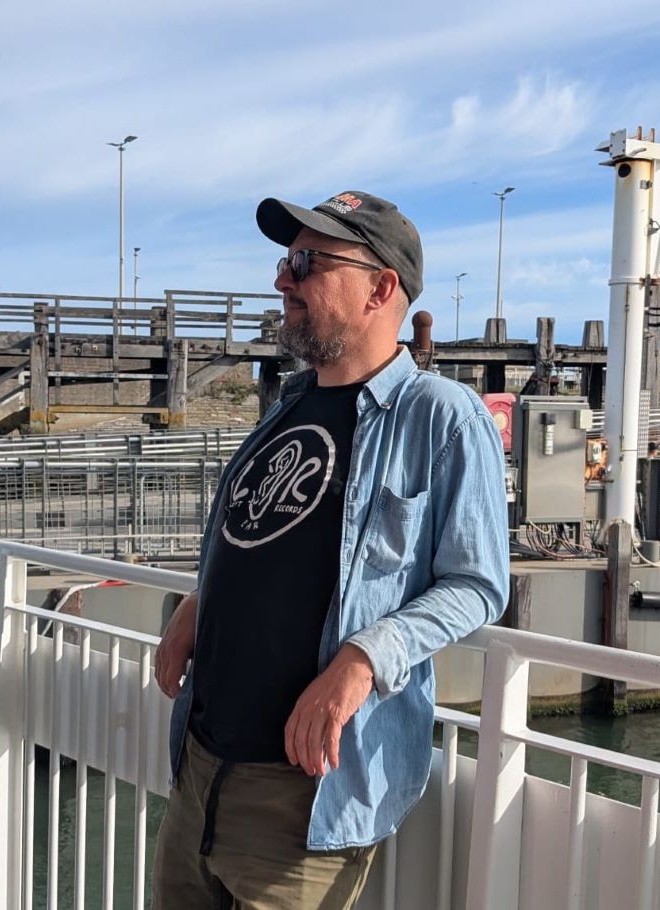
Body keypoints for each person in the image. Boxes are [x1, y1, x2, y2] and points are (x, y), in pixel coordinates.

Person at [152, 190, 510, 910]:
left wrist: (363, 659)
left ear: (381, 288)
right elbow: (261, 533)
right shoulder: (289, 402)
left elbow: (477, 583)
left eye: (307, 263)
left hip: (303, 797)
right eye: (287, 261)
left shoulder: (442, 417)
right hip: (200, 768)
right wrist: (202, 599)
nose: (282, 280)